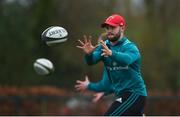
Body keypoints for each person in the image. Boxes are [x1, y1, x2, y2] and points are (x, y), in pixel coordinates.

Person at [75, 14, 147, 116]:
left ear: (122, 28)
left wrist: (112, 53)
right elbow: (91, 62)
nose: (109, 30)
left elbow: (126, 60)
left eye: (113, 27)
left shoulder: (130, 47)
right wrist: (88, 54)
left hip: (134, 94)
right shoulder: (104, 46)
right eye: (107, 28)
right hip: (121, 95)